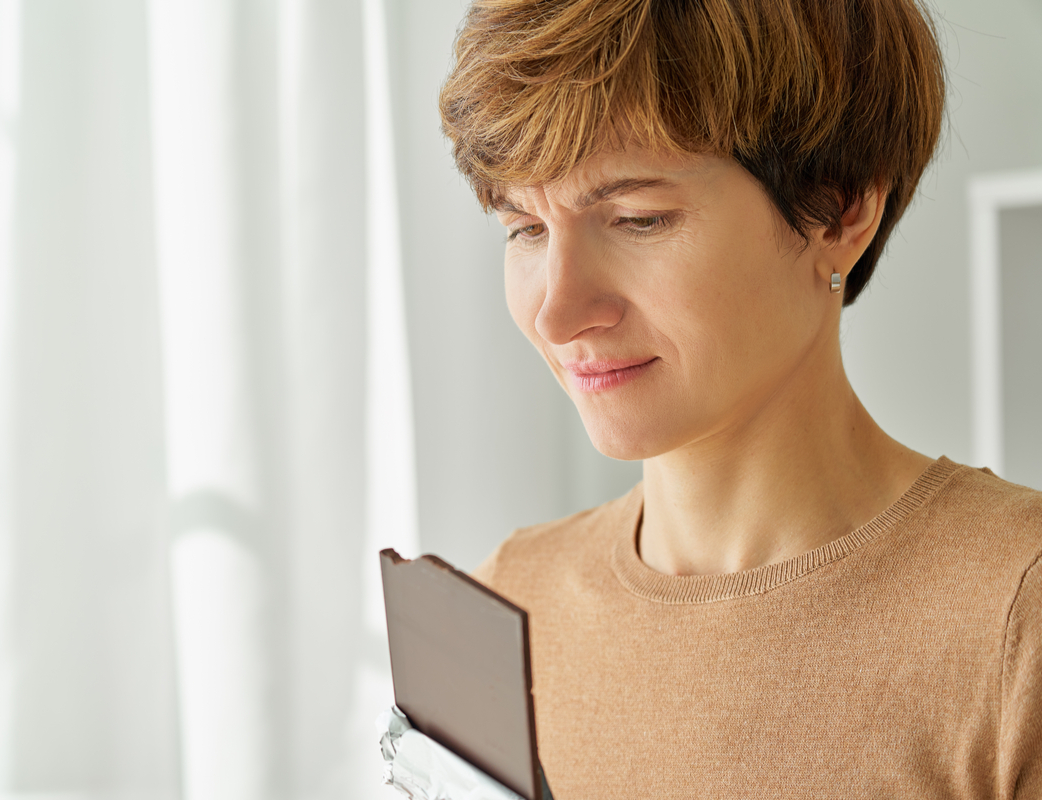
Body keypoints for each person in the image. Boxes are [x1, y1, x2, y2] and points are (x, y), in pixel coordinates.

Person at [437, 0, 1041, 797]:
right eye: (525, 229)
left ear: (841, 206)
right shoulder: (511, 599)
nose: (556, 311)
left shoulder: (1015, 618)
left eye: (637, 219)